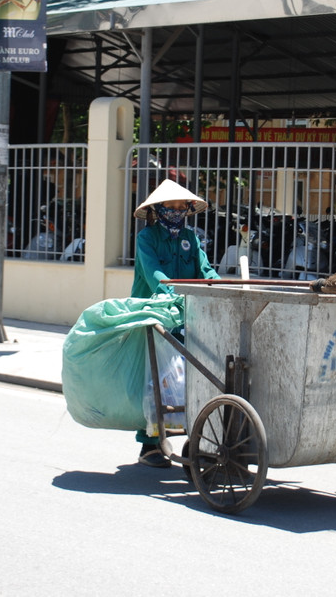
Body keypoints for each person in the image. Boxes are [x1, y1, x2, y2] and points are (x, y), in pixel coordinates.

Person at [130, 178, 221, 466]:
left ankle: (195, 435)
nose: (179, 210)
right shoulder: (147, 239)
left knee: (195, 376)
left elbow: (206, 271)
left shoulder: (191, 239)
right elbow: (153, 273)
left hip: (188, 315)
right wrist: (174, 294)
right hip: (155, 313)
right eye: (173, 205)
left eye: (183, 205)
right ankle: (150, 444)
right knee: (156, 377)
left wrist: (224, 290)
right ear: (159, 208)